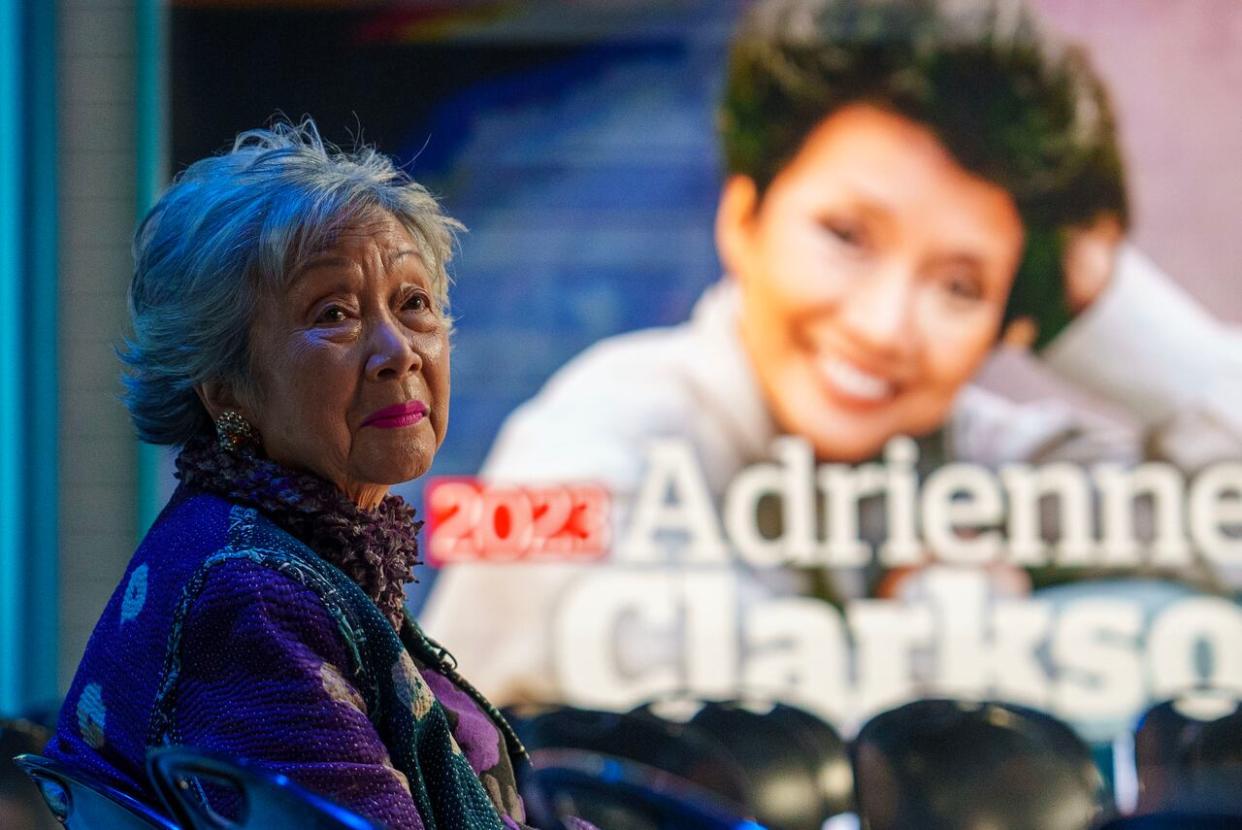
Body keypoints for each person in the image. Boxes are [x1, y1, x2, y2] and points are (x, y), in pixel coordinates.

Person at [421, 0, 1242, 707]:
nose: (887, 326)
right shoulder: (600, 429)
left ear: (1009, 321)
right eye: (846, 237)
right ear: (743, 220)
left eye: (960, 286)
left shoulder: (986, 460)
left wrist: (1106, 304)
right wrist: (957, 627)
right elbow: (748, 733)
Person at [46, 122, 588, 830]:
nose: (398, 351)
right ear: (226, 388)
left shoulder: (287, 555)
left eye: (413, 303)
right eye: (334, 314)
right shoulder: (252, 597)